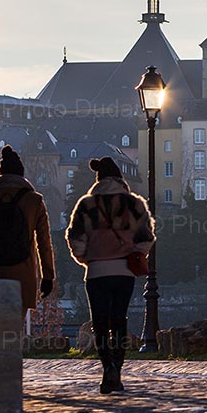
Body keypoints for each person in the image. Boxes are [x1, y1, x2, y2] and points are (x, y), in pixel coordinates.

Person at [66, 156, 155, 395]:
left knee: (100, 323)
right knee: (119, 319)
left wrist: (86, 259)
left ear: (99, 179)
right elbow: (146, 238)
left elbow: (75, 239)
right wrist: (134, 255)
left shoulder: (86, 205)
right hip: (124, 271)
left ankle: (107, 368)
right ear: (120, 178)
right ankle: (118, 365)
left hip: (96, 272)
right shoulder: (134, 204)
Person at [0, 145, 55, 315]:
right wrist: (47, 276)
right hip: (22, 274)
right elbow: (44, 242)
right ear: (21, 173)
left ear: (0, 173)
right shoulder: (34, 201)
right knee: (13, 333)